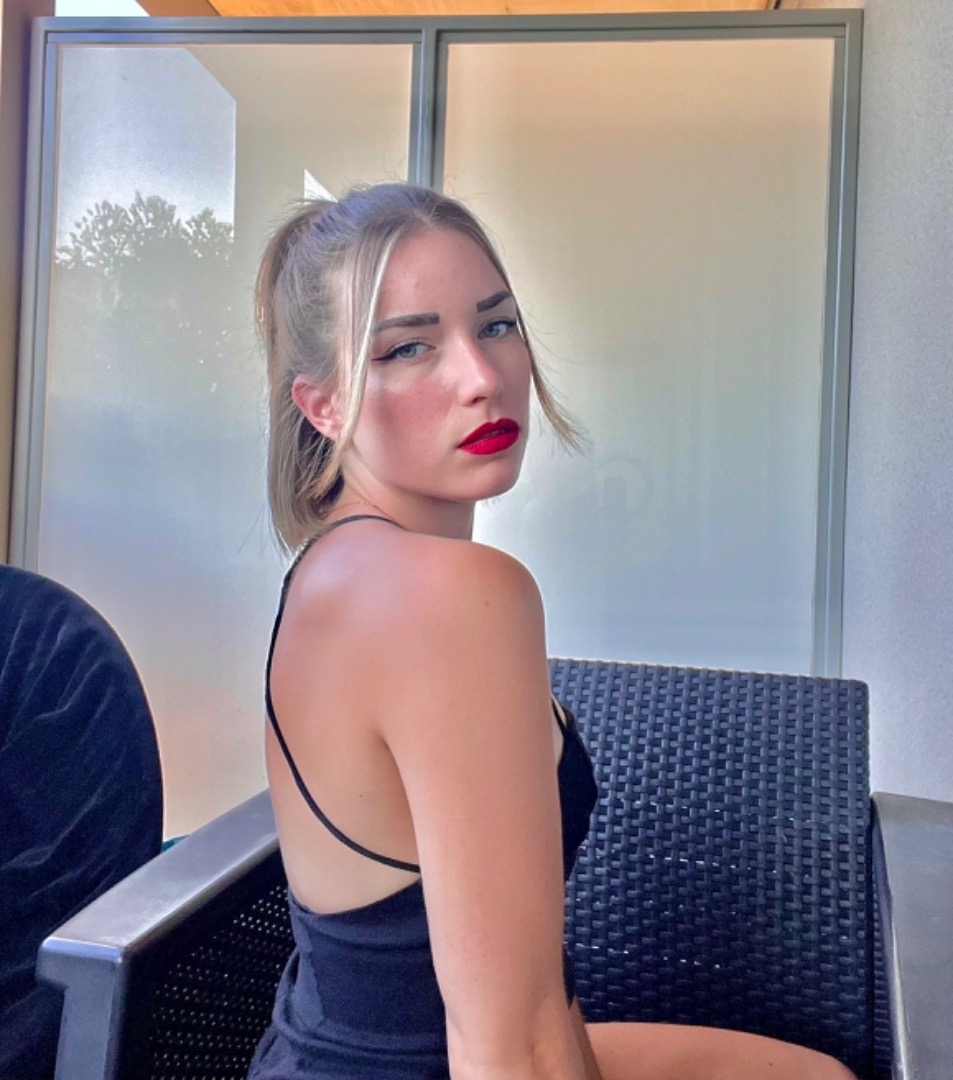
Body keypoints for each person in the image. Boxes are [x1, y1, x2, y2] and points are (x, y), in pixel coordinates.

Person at [248, 182, 854, 1080]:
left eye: (496, 325)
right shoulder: (446, 595)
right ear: (323, 405)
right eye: (408, 347)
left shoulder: (333, 567)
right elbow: (509, 1051)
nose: (481, 377)